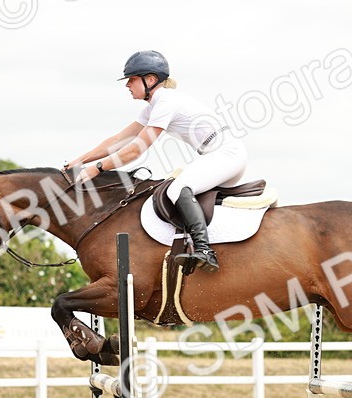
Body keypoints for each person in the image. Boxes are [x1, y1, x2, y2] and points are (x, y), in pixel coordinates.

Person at [65, 50, 248, 274]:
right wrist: (81, 160)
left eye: (131, 79)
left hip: (226, 154)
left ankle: (204, 250)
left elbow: (135, 150)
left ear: (150, 80)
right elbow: (119, 140)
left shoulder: (166, 101)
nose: (127, 85)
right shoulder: (154, 106)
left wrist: (97, 168)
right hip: (219, 156)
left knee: (178, 188)